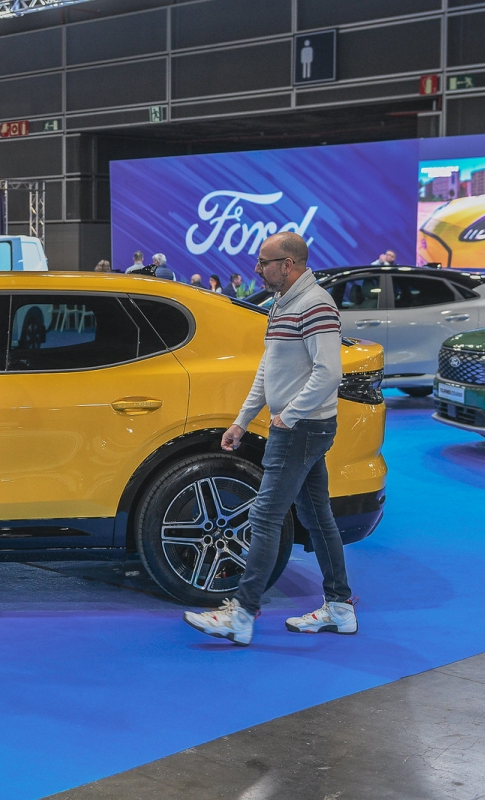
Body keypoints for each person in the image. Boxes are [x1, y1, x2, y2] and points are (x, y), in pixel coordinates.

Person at [183, 231, 354, 647]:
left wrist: (287, 417)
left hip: (301, 429)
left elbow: (329, 372)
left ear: (289, 265)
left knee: (264, 517)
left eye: (265, 262)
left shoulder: (315, 304)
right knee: (316, 517)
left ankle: (241, 614)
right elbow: (270, 369)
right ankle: (340, 607)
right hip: (299, 427)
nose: (257, 269)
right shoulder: (283, 303)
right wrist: (242, 420)